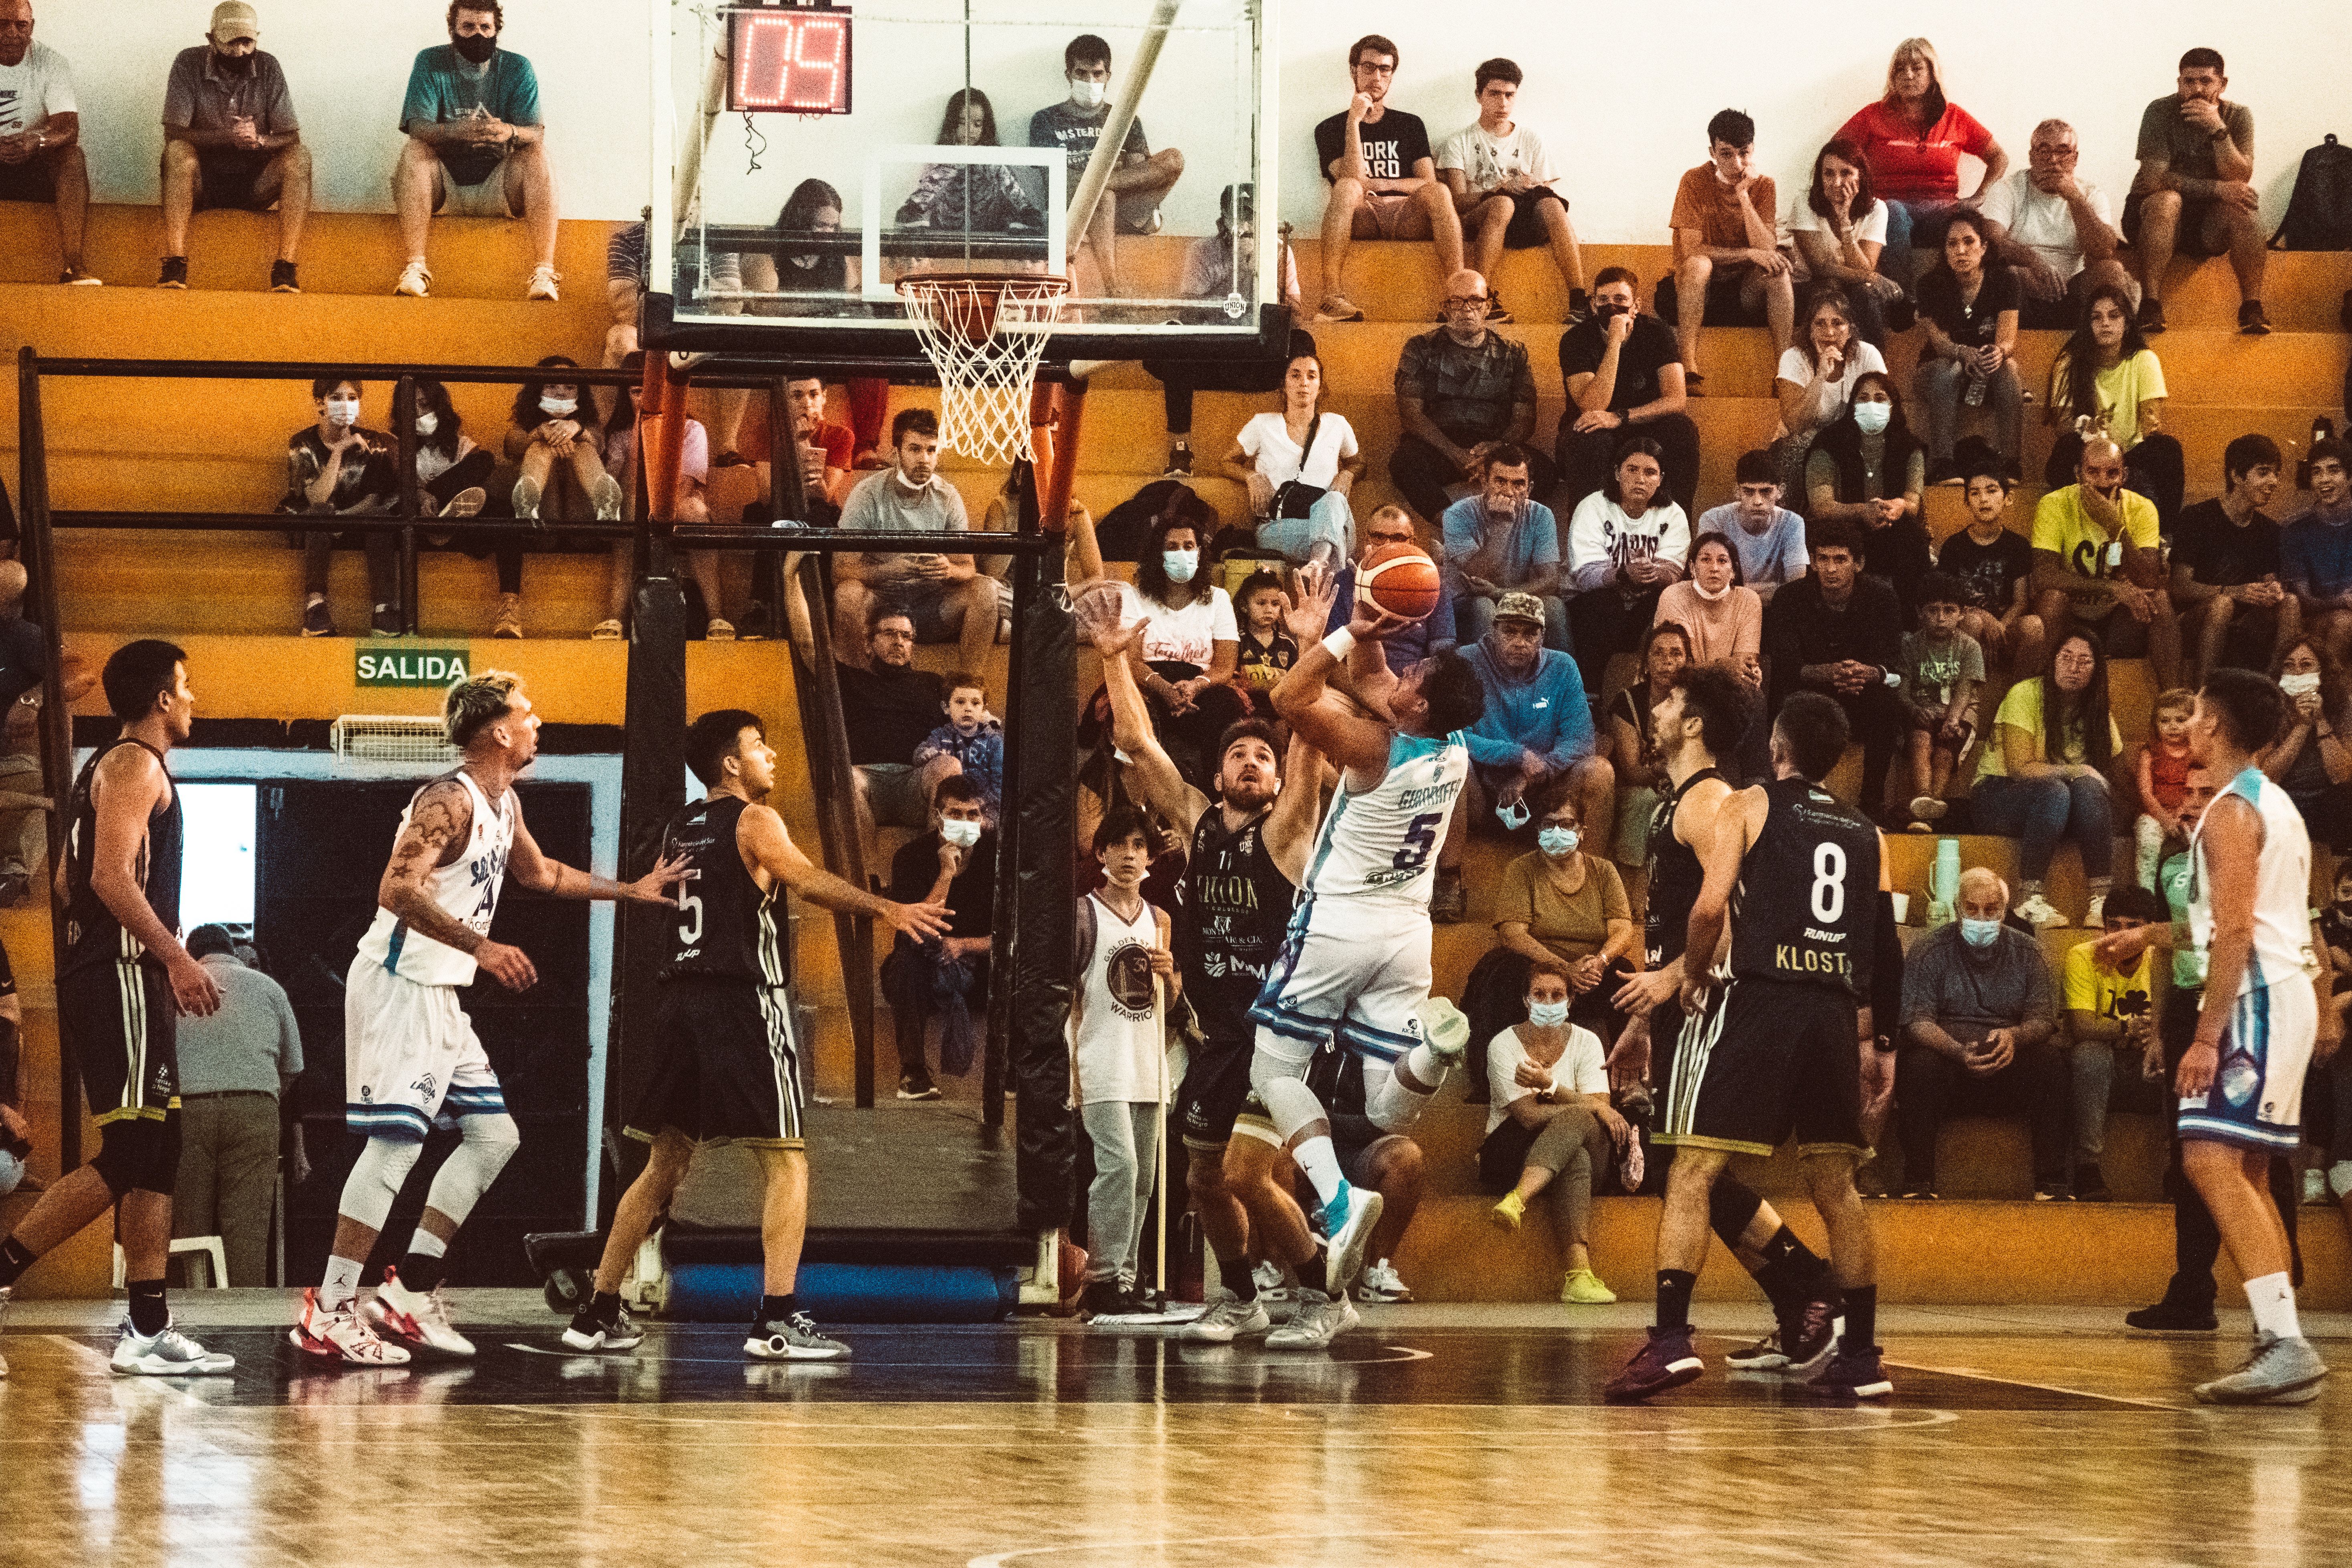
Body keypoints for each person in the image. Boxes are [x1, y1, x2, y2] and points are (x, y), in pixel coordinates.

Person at [292, 672, 689, 1365]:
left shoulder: (503, 803)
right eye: (527, 714)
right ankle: (328, 1309)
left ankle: (410, 1289)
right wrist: (482, 945)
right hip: (399, 980)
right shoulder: (447, 799)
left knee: (493, 1136)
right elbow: (395, 888)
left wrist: (631, 890)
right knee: (394, 1148)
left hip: (441, 991)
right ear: (499, 731)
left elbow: (540, 875)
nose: (538, 724)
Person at [566, 711, 947, 1358]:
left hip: (678, 1000)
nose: (771, 753)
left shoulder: (677, 828)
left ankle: (599, 1310)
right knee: (785, 1157)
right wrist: (887, 906)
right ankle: (776, 1315)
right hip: (741, 999)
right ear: (729, 766)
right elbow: (805, 879)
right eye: (757, 745)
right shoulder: (754, 820)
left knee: (663, 1162)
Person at [1607, 690, 1889, 1403]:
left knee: (1691, 1168)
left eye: (1669, 698)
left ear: (1777, 745)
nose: (1660, 706)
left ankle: (1672, 1336)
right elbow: (1884, 945)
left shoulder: (1735, 804)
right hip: (1830, 1008)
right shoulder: (1866, 829)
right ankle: (1851, 1345)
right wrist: (1879, 1038)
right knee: (1833, 1185)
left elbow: (1713, 910)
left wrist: (1685, 976)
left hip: (1754, 996)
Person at [1241, 563, 1487, 1345]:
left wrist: (1341, 633)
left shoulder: (1371, 747)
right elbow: (1375, 678)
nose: (1401, 670)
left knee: (1274, 1072)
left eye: (1414, 672)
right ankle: (1432, 1056)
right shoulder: (1449, 752)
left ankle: (1340, 1212)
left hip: (1339, 924)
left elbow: (1286, 701)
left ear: (1416, 702)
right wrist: (1349, 631)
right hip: (1405, 936)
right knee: (1385, 1107)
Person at [1083, 613, 1322, 1347]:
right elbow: (1136, 741)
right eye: (1238, 755)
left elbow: (1309, 730)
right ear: (1215, 776)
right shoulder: (1195, 825)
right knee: (1200, 1180)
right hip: (1216, 1033)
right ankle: (1244, 1298)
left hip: (1273, 1032)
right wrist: (1115, 658)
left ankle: (1321, 1297)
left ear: (1277, 779)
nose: (1251, 762)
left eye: (1262, 756)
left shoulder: (1285, 831)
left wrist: (1313, 643)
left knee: (1250, 1175)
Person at [0, 643, 232, 1376]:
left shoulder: (104, 768)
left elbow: (66, 879)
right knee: (133, 1151)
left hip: (117, 975)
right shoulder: (136, 764)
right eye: (186, 687)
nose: (193, 699)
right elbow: (102, 876)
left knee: (158, 1152)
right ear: (162, 698)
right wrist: (172, 953)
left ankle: (147, 1326)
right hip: (124, 976)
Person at [2171, 669, 2333, 1402]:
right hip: (2286, 991)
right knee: (2247, 1170)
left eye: (2196, 710)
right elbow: (2270, 916)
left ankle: (2282, 1342)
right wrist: (2150, 930)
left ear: (2214, 727)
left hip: (2257, 1000)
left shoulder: (2232, 810)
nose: (2186, 719)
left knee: (2206, 1156)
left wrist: (2205, 1038)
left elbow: (2236, 930)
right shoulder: (2275, 802)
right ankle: (2281, 1339)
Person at [1895, 868, 2069, 1199]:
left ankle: (2052, 1182)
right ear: (1958, 908)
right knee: (1918, 1065)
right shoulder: (1929, 950)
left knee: (2050, 1062)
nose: (1981, 917)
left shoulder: (2029, 952)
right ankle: (1917, 1181)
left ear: (2005, 910)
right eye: (1971, 908)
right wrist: (1956, 1051)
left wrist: (2014, 1037)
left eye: (1991, 909)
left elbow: (2043, 1019)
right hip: (1948, 1067)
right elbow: (1917, 1022)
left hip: (2008, 1066)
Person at [1070, 807, 1179, 1318]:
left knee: (1144, 1178)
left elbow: (1167, 1005)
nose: (1130, 854)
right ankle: (1101, 1277)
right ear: (1101, 853)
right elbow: (1065, 994)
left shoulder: (1160, 921)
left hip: (1148, 1063)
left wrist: (1170, 975)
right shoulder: (1082, 914)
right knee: (1119, 1167)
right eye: (1120, 845)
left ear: (1151, 856)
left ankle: (1128, 1278)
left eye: (1140, 845)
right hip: (1099, 1059)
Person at [1446, 594, 1613, 921]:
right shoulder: (1465, 660)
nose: (1519, 642)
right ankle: (1448, 881)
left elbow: (1581, 740)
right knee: (1452, 759)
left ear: (1542, 637)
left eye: (1529, 633)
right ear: (1493, 631)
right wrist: (1516, 756)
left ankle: (1589, 885)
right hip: (1481, 793)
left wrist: (1532, 772)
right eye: (1510, 632)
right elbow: (1451, 733)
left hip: (1543, 796)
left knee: (1599, 770)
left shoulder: (1562, 666)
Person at [781, 583, 958, 875]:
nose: (899, 642)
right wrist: (791, 578)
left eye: (906, 636)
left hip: (917, 783)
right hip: (864, 781)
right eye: (889, 634)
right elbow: (807, 643)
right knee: (847, 777)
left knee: (949, 766)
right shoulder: (848, 679)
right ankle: (869, 881)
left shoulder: (933, 683)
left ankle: (936, 871)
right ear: (868, 643)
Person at [392, 2, 557, 302]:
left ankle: (544, 273)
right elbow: (417, 126)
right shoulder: (430, 61)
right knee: (414, 150)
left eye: (485, 27)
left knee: (537, 153)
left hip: (500, 183)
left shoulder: (517, 67)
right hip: (442, 183)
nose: (477, 35)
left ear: (497, 30)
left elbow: (537, 131)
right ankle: (415, 268)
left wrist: (509, 131)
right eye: (468, 27)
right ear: (453, 29)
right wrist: (459, 132)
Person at [1481, 962, 1626, 1304]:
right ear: (1525, 1000)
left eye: (1557, 995)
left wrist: (1549, 1085)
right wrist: (1583, 1105)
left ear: (1570, 1000)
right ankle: (1578, 1276)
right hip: (1511, 1152)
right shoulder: (1502, 1044)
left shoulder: (1587, 1041)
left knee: (1578, 1131)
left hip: (1590, 1150)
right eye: (1539, 994)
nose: (1548, 1002)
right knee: (1574, 1152)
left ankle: (1518, 1200)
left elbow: (1600, 1108)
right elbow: (1529, 1116)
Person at [171, 924, 301, 1287]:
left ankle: (192, 1305)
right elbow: (293, 1066)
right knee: (247, 1225)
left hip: (187, 1111)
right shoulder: (269, 988)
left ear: (193, 954)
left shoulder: (172, 987)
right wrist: (260, 1094)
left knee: (190, 1219)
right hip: (255, 1108)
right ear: (231, 949)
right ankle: (245, 1314)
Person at [1149, 185, 1306, 477]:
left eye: (1252, 219)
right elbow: (1187, 315)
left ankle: (1299, 440)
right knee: (1172, 340)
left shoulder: (1279, 252)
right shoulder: (1202, 251)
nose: (1245, 227)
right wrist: (1236, 275)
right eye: (1239, 218)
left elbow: (1296, 318)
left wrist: (1261, 275)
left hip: (1258, 361)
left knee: (1303, 343)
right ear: (1224, 218)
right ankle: (1181, 449)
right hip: (1215, 356)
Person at [1971, 630, 2125, 928]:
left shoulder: (2096, 709)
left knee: (2087, 787)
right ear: (2052, 661)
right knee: (2056, 790)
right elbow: (2019, 768)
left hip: (2056, 807)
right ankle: (2029, 900)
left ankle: (2100, 901)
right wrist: (2074, 771)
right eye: (2065, 658)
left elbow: (2113, 775)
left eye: (2084, 661)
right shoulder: (2025, 693)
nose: (2073, 668)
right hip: (1996, 796)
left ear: (2096, 670)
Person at [832, 409, 1000, 674]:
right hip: (880, 605)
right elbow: (839, 571)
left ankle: (968, 688)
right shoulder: (867, 494)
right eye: (915, 449)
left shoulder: (947, 496)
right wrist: (889, 570)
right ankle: (857, 690)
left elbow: (968, 568)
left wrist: (948, 570)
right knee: (847, 593)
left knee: (987, 590)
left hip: (929, 607)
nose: (924, 459)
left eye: (931, 450)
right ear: (896, 451)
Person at [1310, 34, 1463, 324]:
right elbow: (1353, 179)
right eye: (1368, 68)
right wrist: (1353, 122)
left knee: (1441, 192)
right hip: (1361, 215)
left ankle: (1457, 298)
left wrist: (1379, 184)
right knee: (1346, 187)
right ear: (1353, 70)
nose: (1376, 77)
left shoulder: (1410, 124)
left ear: (1392, 75)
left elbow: (1428, 183)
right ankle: (1332, 298)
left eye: (1385, 69)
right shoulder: (1329, 128)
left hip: (1408, 215)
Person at [158, 2, 308, 293]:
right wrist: (229, 137)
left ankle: (286, 267)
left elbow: (292, 138)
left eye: (247, 42)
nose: (240, 51)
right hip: (202, 182)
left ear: (257, 38)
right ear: (211, 39)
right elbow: (173, 133)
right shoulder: (188, 63)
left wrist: (260, 140)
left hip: (255, 183)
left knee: (300, 158)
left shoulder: (268, 66)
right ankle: (175, 262)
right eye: (231, 43)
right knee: (177, 152)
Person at [1763, 519, 1904, 823]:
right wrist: (1830, 673)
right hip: (1809, 695)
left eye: (1840, 559)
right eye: (1822, 559)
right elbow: (1786, 667)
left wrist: (1868, 673)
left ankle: (1872, 803)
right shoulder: (1789, 598)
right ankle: (1785, 796)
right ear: (1812, 562)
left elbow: (1893, 669)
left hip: (1861, 695)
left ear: (1858, 563)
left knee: (1888, 703)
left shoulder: (1883, 598)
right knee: (1783, 699)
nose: (1830, 569)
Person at [1834, 38, 2007, 287]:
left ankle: (1945, 298)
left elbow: (1999, 157)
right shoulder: (1873, 115)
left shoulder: (1955, 116)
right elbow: (1837, 152)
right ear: (1893, 77)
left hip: (1942, 206)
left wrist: (1981, 194)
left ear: (1932, 74)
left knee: (1966, 222)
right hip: (1888, 205)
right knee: (1892, 212)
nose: (1908, 75)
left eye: (1917, 68)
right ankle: (1901, 294)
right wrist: (1854, 194)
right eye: (1901, 69)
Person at [1479, 783, 1635, 1056]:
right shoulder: (1521, 869)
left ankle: (1628, 1078)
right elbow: (1512, 934)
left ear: (1582, 831)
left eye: (1567, 823)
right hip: (1537, 971)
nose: (1557, 831)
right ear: (1538, 830)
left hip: (1591, 975)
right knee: (1503, 974)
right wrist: (1564, 968)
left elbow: (1622, 929)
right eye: (1548, 824)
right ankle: (1492, 1075)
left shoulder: (1604, 871)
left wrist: (1600, 961)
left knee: (1624, 974)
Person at [1031, 33, 1184, 298]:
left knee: (1173, 159)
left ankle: (1103, 187)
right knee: (1101, 194)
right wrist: (1100, 187)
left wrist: (1105, 183)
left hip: (1124, 209)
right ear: (1069, 75)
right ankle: (1113, 288)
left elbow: (1139, 176)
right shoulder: (1046, 120)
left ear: (1108, 76)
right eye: (1081, 73)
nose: (1090, 81)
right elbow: (1052, 178)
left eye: (1097, 73)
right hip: (1074, 209)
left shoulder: (1126, 118)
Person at [2126, 48, 2265, 336]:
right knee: (2167, 199)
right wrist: (2216, 188)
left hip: (2206, 224)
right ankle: (2150, 304)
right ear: (2178, 83)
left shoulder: (2238, 116)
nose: (2197, 89)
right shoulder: (2159, 111)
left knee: (2244, 207)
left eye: (2206, 81)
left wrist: (2217, 129)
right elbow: (2153, 180)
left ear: (2222, 84)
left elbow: (2239, 177)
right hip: (2150, 216)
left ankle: (2251, 307)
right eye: (2189, 82)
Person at [1391, 270, 1551, 521]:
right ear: (1445, 308)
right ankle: (1453, 526)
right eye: (1457, 301)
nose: (1467, 309)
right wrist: (1455, 453)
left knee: (1544, 471)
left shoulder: (1514, 354)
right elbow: (1411, 416)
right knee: (1404, 463)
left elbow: (1525, 418)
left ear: (1488, 307)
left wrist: (1497, 449)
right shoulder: (1420, 348)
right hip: (1439, 446)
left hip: (1494, 445)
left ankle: (1504, 525)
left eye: (1475, 301)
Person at [1108, 513, 1247, 792]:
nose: (1181, 553)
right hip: (1149, 682)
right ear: (1158, 554)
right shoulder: (1136, 597)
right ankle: (1140, 806)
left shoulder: (1217, 598)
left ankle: (1215, 797)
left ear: (1199, 552)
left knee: (1228, 708)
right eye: (1171, 547)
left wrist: (1195, 686)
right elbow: (1132, 661)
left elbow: (1225, 664)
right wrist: (1163, 689)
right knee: (1136, 711)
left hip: (1200, 688)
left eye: (1188, 546)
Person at [879, 774, 995, 1102]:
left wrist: (963, 945)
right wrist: (945, 873)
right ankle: (913, 1072)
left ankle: (1012, 1067)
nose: (965, 822)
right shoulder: (911, 857)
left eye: (973, 815)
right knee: (904, 965)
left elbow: (1013, 934)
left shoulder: (997, 856)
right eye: (955, 814)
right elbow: (913, 928)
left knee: (1020, 967)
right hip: (925, 966)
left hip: (978, 965)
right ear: (938, 817)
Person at [2031, 435, 2180, 688]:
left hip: (2119, 622)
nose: (2102, 482)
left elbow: (2149, 579)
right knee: (2053, 599)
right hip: (2071, 618)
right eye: (2093, 472)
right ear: (2078, 474)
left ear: (2124, 476)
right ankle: (2039, 693)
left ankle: (2174, 698)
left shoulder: (2143, 508)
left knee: (2159, 600)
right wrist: (2109, 587)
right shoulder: (2054, 504)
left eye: (2112, 473)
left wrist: (2115, 527)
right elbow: (2044, 577)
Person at [1435, 58, 1584, 310]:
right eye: (1494, 94)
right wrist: (1496, 191)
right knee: (1503, 203)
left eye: (1509, 95)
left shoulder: (1531, 139)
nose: (1503, 103)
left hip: (1525, 224)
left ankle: (1579, 298)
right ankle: (1482, 298)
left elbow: (1545, 191)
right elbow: (1457, 202)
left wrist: (1530, 184)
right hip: (1481, 221)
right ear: (1479, 96)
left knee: (1552, 205)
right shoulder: (1459, 142)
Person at [1555, 266, 1700, 516]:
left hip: (1642, 424)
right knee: (1592, 439)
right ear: (1592, 306)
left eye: (1621, 300)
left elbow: (1676, 399)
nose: (1611, 307)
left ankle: (1675, 528)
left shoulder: (1658, 333)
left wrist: (1620, 417)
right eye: (1603, 301)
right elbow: (1593, 405)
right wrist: (1614, 343)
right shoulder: (1575, 340)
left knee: (1682, 430)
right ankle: (1588, 534)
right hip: (1592, 427)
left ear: (1636, 306)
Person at [2043, 285, 2186, 534]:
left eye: (2114, 316)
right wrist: (2093, 441)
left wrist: (2117, 450)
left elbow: (2151, 425)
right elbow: (2063, 426)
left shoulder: (2145, 360)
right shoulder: (2069, 362)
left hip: (2131, 453)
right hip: (2089, 454)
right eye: (2096, 317)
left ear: (2127, 323)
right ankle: (2068, 531)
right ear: (2087, 325)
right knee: (2064, 450)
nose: (2105, 324)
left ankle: (2164, 536)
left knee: (2167, 449)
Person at [1668, 109, 1794, 386]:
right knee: (1700, 264)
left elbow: (1767, 248)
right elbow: (1692, 250)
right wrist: (1748, 253)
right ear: (1712, 152)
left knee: (1779, 271)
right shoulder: (1693, 181)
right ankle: (1687, 367)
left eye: (1744, 153)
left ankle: (1785, 372)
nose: (1737, 164)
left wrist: (1743, 196)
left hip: (1743, 292)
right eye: (1726, 154)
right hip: (1698, 289)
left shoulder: (1764, 185)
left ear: (1753, 150)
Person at [602, 363, 725, 638]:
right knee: (632, 509)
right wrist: (640, 433)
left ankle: (717, 616)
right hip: (637, 506)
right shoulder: (620, 436)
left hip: (680, 507)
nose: (648, 399)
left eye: (654, 391)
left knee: (693, 510)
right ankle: (614, 618)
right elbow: (616, 489)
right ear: (626, 396)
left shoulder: (692, 429)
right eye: (637, 392)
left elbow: (683, 487)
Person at [2061, 885, 2166, 1203]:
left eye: (2134, 926)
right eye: (2114, 926)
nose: (2122, 935)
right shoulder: (2082, 955)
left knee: (2182, 1053)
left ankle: (2178, 1168)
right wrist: (2127, 1029)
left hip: (2150, 1063)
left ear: (2150, 928)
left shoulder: (2163, 957)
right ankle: (2087, 1167)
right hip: (2104, 1065)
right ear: (2103, 926)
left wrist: (2159, 1036)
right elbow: (2081, 1028)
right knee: (2089, 1054)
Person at [1979, 118, 2134, 329]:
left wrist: (2073, 196)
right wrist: (2034, 262)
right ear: (2032, 156)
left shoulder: (2089, 193)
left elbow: (2104, 250)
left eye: (2063, 151)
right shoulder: (2008, 188)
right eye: (2044, 150)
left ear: (2075, 158)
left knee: (2112, 270)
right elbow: (1992, 238)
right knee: (2008, 275)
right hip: (2023, 289)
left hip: (2075, 292)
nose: (2053, 160)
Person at [1565, 437, 1691, 691]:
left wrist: (1649, 572)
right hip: (1593, 600)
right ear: (1617, 473)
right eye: (1632, 469)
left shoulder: (1673, 514)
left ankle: (1636, 694)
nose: (1641, 479)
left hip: (1645, 600)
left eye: (1650, 472)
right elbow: (1586, 576)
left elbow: (1674, 574)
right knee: (1607, 604)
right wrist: (1625, 574)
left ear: (1661, 478)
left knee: (1659, 604)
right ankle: (1591, 692)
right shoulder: (1593, 506)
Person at [281, 377, 401, 639]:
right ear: (319, 403)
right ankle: (316, 608)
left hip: (359, 521)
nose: (345, 404)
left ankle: (384, 610)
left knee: (380, 516)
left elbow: (374, 501)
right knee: (320, 514)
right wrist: (339, 452)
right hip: (316, 526)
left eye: (352, 398)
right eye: (336, 398)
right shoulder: (302, 442)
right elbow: (317, 498)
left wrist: (341, 520)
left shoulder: (376, 443)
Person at [1223, 350, 1361, 569]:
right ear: (1284, 385)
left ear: (1320, 386)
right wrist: (1251, 476)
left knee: (1334, 500)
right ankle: (1325, 566)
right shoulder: (1263, 425)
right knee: (1332, 540)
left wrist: (1348, 473)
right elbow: (1226, 462)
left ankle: (1316, 565)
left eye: (1311, 376)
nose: (1303, 383)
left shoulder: (1338, 425)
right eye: (1295, 376)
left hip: (1332, 520)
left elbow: (1359, 463)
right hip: (1279, 527)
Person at [1912, 212, 2023, 484]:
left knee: (2007, 366)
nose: (1960, 251)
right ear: (1945, 250)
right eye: (1952, 244)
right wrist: (1963, 353)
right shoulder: (1929, 285)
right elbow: (1939, 344)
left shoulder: (2005, 281)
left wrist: (1998, 352)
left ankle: (2010, 464)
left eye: (1969, 241)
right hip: (1938, 372)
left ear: (1984, 247)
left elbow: (2007, 340)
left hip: (1986, 373)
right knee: (1948, 369)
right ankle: (1942, 463)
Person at [1805, 372, 1927, 616]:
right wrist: (1861, 511)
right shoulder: (1828, 442)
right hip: (1841, 527)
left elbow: (1914, 500)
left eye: (1880, 398)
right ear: (1852, 405)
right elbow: (1821, 506)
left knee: (1911, 533)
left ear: (1893, 405)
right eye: (1863, 398)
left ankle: (1907, 623)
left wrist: (1899, 506)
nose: (1872, 404)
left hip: (1890, 528)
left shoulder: (1910, 445)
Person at [2172, 434, 2292, 681]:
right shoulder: (2197, 518)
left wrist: (2273, 590)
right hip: (2198, 618)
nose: (2274, 481)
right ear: (2236, 476)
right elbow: (2179, 588)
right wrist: (2232, 592)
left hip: (2245, 621)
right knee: (2223, 604)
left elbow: (2270, 578)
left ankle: (2275, 684)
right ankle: (2203, 696)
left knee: (2290, 603)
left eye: (2276, 474)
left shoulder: (2269, 529)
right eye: (2263, 473)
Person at [402, 376, 510, 636]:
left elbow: (480, 467)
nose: (421, 412)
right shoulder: (399, 447)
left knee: (491, 479)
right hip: (420, 527)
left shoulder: (460, 444)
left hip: (460, 528)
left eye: (427, 405)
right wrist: (420, 495)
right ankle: (437, 518)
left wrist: (431, 490)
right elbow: (396, 489)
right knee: (402, 499)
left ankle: (509, 606)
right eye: (415, 405)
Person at [0, 0, 94, 284]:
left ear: (32, 26)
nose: (12, 32)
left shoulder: (51, 62)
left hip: (34, 163)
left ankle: (74, 268)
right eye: (2, 24)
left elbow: (69, 128)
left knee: (72, 157)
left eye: (21, 24)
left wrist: (36, 141)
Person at [1440, 444, 1563, 650]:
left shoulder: (1541, 515)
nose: (1509, 492)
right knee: (1484, 606)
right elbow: (1478, 574)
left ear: (1529, 489)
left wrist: (1501, 593)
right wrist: (1502, 526)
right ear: (1485, 483)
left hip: (1510, 595)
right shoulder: (1457, 514)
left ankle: (1564, 679)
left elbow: (1551, 580)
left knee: (1554, 607)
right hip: (1466, 601)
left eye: (1518, 484)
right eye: (1500, 481)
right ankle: (1486, 681)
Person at [1787, 139, 1905, 348]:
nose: (1837, 182)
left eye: (1846, 173)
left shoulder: (1878, 209)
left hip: (1853, 286)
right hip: (1809, 285)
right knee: (1833, 291)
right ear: (1820, 177)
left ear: (1861, 175)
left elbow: (1864, 265)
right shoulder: (1805, 202)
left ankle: (1872, 374)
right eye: (1829, 174)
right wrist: (1871, 277)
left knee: (1864, 295)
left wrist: (1845, 222)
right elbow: (1820, 268)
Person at [1774, 289, 1889, 499]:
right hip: (1803, 441)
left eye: (1837, 323)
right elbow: (1795, 426)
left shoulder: (1868, 355)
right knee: (1800, 446)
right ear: (1809, 329)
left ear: (1851, 329)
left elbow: (1882, 411)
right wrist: (1820, 376)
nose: (1829, 333)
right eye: (1820, 324)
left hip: (1852, 437)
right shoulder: (1793, 358)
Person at [1894, 572, 1983, 827]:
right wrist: (1912, 709)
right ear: (1920, 612)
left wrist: (1953, 719)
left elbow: (1964, 691)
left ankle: (1935, 801)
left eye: (1949, 610)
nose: (1941, 618)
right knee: (1921, 740)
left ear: (1962, 613)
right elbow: (1902, 687)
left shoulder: (1969, 647)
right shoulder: (1910, 644)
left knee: (1945, 751)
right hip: (1921, 709)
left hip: (1960, 711)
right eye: (1933, 611)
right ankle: (1922, 797)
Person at [1325, 505, 1456, 676]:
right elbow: (1332, 655)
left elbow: (1443, 655)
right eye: (1379, 537)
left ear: (1413, 543)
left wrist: (1413, 686)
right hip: (1355, 679)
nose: (1388, 545)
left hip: (1410, 682)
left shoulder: (1433, 582)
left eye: (1398, 538)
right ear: (1367, 540)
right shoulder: (1343, 581)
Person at [1935, 463, 2039, 677]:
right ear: (1967, 503)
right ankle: (1965, 687)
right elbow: (1948, 602)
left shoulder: (2017, 546)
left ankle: (2020, 693)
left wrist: (1999, 627)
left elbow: (2021, 601)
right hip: (1968, 627)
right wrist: (1983, 617)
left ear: (2007, 499)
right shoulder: (1954, 547)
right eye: (1975, 493)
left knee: (2034, 625)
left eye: (1992, 491)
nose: (1983, 499)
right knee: (1974, 622)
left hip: (2005, 627)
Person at [1606, 622, 1692, 879]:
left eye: (1676, 653)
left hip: (1680, 787)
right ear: (1645, 662)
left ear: (1688, 661)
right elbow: (1632, 772)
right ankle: (1630, 891)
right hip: (1635, 790)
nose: (1667, 661)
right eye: (1658, 653)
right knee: (1645, 800)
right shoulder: (1627, 702)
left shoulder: (1695, 703)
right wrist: (1665, 769)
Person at [505, 355, 624, 529]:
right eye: (552, 386)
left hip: (582, 523)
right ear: (538, 390)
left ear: (579, 392)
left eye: (569, 387)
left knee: (583, 447)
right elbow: (511, 445)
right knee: (539, 447)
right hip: (542, 525)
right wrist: (540, 433)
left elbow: (600, 442)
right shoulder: (527, 422)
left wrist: (578, 429)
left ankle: (605, 501)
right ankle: (527, 505)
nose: (561, 393)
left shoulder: (588, 422)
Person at [901, 89, 1042, 236]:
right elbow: (929, 188)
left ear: (985, 127)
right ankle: (913, 208)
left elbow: (1004, 185)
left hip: (988, 226)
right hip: (947, 226)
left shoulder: (992, 161)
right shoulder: (941, 159)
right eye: (963, 123)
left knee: (991, 161)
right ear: (953, 124)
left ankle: (1026, 210)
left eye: (977, 124)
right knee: (949, 163)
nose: (970, 131)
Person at [2262, 638, 2352, 854]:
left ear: (2322, 671)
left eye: (2306, 665)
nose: (2298, 672)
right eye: (2289, 665)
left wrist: (2320, 721)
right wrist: (2302, 727)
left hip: (2330, 797)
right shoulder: (2267, 706)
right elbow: (2267, 775)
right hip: (2284, 797)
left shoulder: (2343, 704)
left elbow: (2343, 775)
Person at [1696, 451, 1806, 604]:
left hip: (1776, 612)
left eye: (1766, 491)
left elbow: (1797, 588)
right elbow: (1708, 585)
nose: (1758, 501)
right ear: (1737, 492)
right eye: (1749, 492)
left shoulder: (1792, 523)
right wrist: (1775, 590)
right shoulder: (1714, 520)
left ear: (1780, 491)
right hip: (1725, 609)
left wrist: (1737, 590)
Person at [2279, 440, 2352, 667]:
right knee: (2343, 621)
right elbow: (2303, 601)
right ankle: (2323, 693)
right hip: (2318, 620)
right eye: (2317, 472)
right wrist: (2340, 601)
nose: (2324, 479)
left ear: (2350, 477)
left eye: (2334, 470)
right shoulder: (2295, 529)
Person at [1653, 533, 1761, 670]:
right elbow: (1676, 666)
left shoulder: (1749, 600)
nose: (1714, 568)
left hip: (1731, 688)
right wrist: (1726, 666)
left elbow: (1745, 666)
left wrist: (1735, 669)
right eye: (1705, 560)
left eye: (1722, 561)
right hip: (1678, 686)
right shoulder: (1673, 595)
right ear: (1692, 568)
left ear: (1734, 570)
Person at [913, 673, 1002, 820]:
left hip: (984, 810)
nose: (968, 709)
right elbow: (920, 754)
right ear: (946, 708)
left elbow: (1000, 783)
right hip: (952, 808)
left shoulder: (995, 741)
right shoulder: (941, 736)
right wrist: (928, 754)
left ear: (983, 709)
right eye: (960, 702)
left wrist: (984, 813)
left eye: (975, 703)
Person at [2134, 688, 2197, 888]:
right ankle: (2147, 895)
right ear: (2156, 724)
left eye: (2181, 720)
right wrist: (2166, 820)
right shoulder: (2151, 752)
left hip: (2189, 812)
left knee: (2201, 839)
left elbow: (2198, 789)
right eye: (2165, 721)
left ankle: (2196, 895)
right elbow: (2146, 793)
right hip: (2155, 814)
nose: (2173, 727)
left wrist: (2183, 813)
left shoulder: (2198, 752)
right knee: (2148, 840)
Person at [1231, 572, 1298, 700]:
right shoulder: (1236, 641)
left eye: (1275, 604)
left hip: (1279, 709)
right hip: (1246, 707)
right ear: (1244, 606)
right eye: (1261, 603)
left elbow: (1296, 683)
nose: (1269, 609)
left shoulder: (1288, 645)